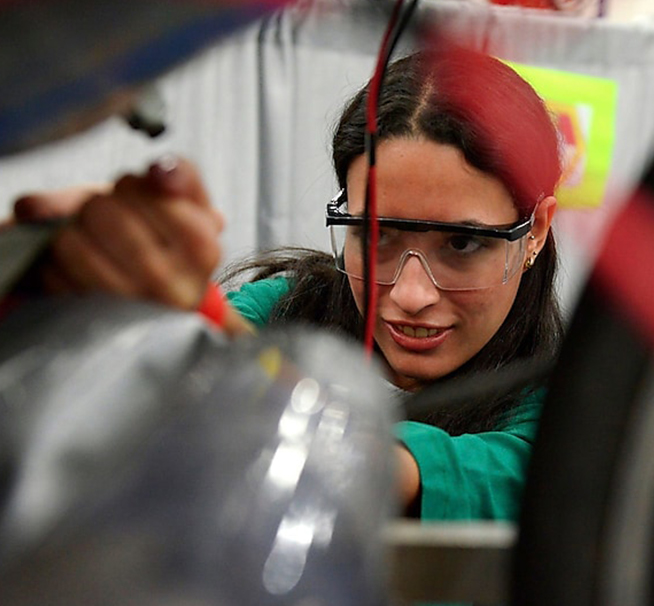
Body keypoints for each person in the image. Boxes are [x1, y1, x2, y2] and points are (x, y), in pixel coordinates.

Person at [9, 46, 564, 521]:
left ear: (535, 230)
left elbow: (391, 472)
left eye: (462, 246)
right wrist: (82, 304)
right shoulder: (282, 310)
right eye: (376, 236)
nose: (411, 295)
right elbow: (169, 382)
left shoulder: (568, 409)